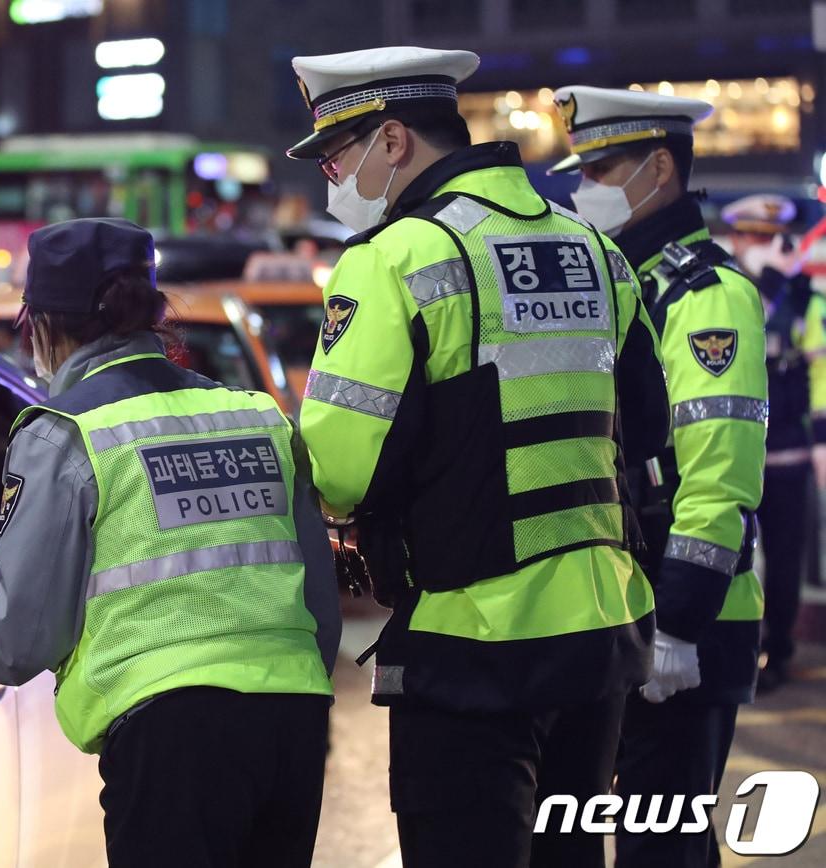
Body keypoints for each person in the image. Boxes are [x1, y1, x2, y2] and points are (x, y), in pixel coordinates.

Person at [287, 46, 669, 868]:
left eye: (335, 155)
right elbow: (644, 424)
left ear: (392, 141)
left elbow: (342, 471)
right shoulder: (597, 253)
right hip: (602, 633)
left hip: (472, 640)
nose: (331, 177)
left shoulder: (392, 260)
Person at [0, 217, 341, 868]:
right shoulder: (257, 417)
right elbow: (320, 608)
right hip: (293, 725)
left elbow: (23, 640)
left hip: (171, 739)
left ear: (42, 325)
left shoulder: (63, 435)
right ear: (153, 313)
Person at [551, 85, 768, 866]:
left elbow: (717, 476)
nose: (586, 190)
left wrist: (678, 623)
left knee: (662, 850)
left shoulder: (707, 298)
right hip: (626, 604)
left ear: (662, 167)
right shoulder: (624, 285)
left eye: (603, 170)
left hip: (693, 620)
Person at [723, 193, 814, 691]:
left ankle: (776, 652)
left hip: (786, 452)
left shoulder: (801, 296)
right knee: (728, 554)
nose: (762, 246)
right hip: (732, 452)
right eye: (753, 236)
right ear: (737, 238)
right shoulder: (722, 291)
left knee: (783, 558)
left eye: (770, 237)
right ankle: (737, 644)